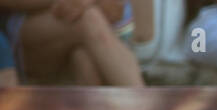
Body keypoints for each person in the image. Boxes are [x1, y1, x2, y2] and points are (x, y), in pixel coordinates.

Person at [2, 0, 143, 85]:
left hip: (70, 26)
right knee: (89, 19)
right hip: (19, 34)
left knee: (83, 59)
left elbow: (116, 10)